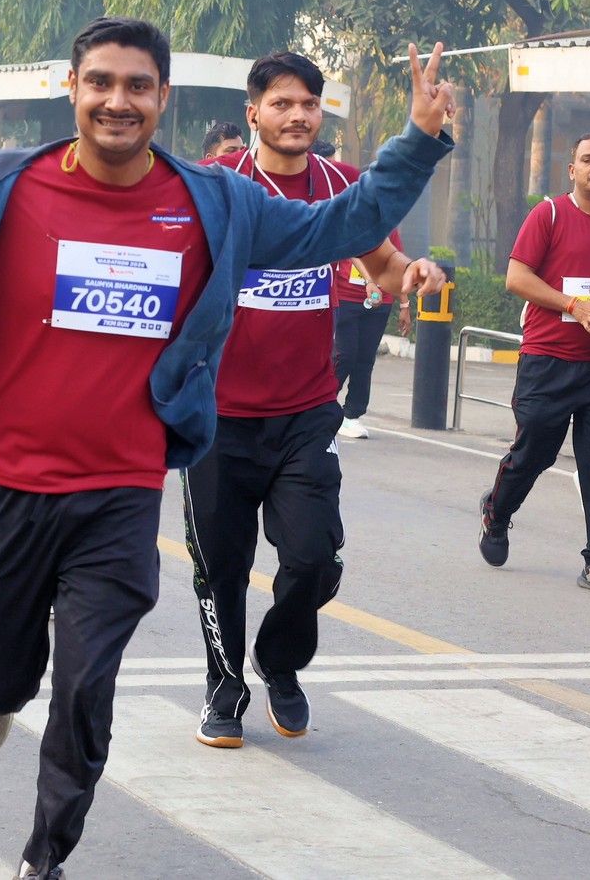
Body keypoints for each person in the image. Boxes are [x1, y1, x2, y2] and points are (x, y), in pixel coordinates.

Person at [0, 12, 452, 880]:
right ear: (72, 89)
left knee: (86, 685)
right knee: (1, 670)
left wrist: (418, 139)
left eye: (138, 85)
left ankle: (45, 855)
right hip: (2, 480)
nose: (118, 100)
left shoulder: (212, 203)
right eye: (100, 82)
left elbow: (339, 225)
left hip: (121, 490)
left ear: (163, 97)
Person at [192, 51, 444, 750]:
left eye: (309, 103)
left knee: (313, 559)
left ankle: (278, 660)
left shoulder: (342, 186)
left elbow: (383, 265)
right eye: (282, 103)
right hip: (217, 418)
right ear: (253, 114)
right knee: (222, 567)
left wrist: (409, 272)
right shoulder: (220, 187)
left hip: (305, 412)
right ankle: (224, 687)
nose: (298, 115)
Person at [478, 132, 590, 598]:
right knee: (534, 452)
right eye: (588, 159)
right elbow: (517, 277)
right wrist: (574, 305)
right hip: (547, 360)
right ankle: (497, 512)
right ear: (572, 170)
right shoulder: (549, 214)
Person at [331, 229, 404, 440]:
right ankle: (322, 403)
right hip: (346, 296)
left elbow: (398, 266)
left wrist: (405, 304)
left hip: (380, 301)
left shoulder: (390, 228)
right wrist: (369, 280)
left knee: (365, 359)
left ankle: (352, 414)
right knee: (344, 355)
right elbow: (353, 250)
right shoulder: (354, 220)